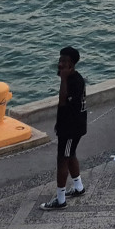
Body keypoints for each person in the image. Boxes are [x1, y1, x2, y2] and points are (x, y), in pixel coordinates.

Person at [39, 47, 89, 209]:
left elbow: (62, 102)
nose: (60, 65)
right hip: (70, 127)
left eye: (64, 62)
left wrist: (63, 80)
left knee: (62, 160)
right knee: (70, 154)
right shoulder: (73, 78)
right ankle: (78, 187)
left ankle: (60, 200)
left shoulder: (74, 81)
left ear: (72, 64)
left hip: (71, 129)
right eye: (59, 61)